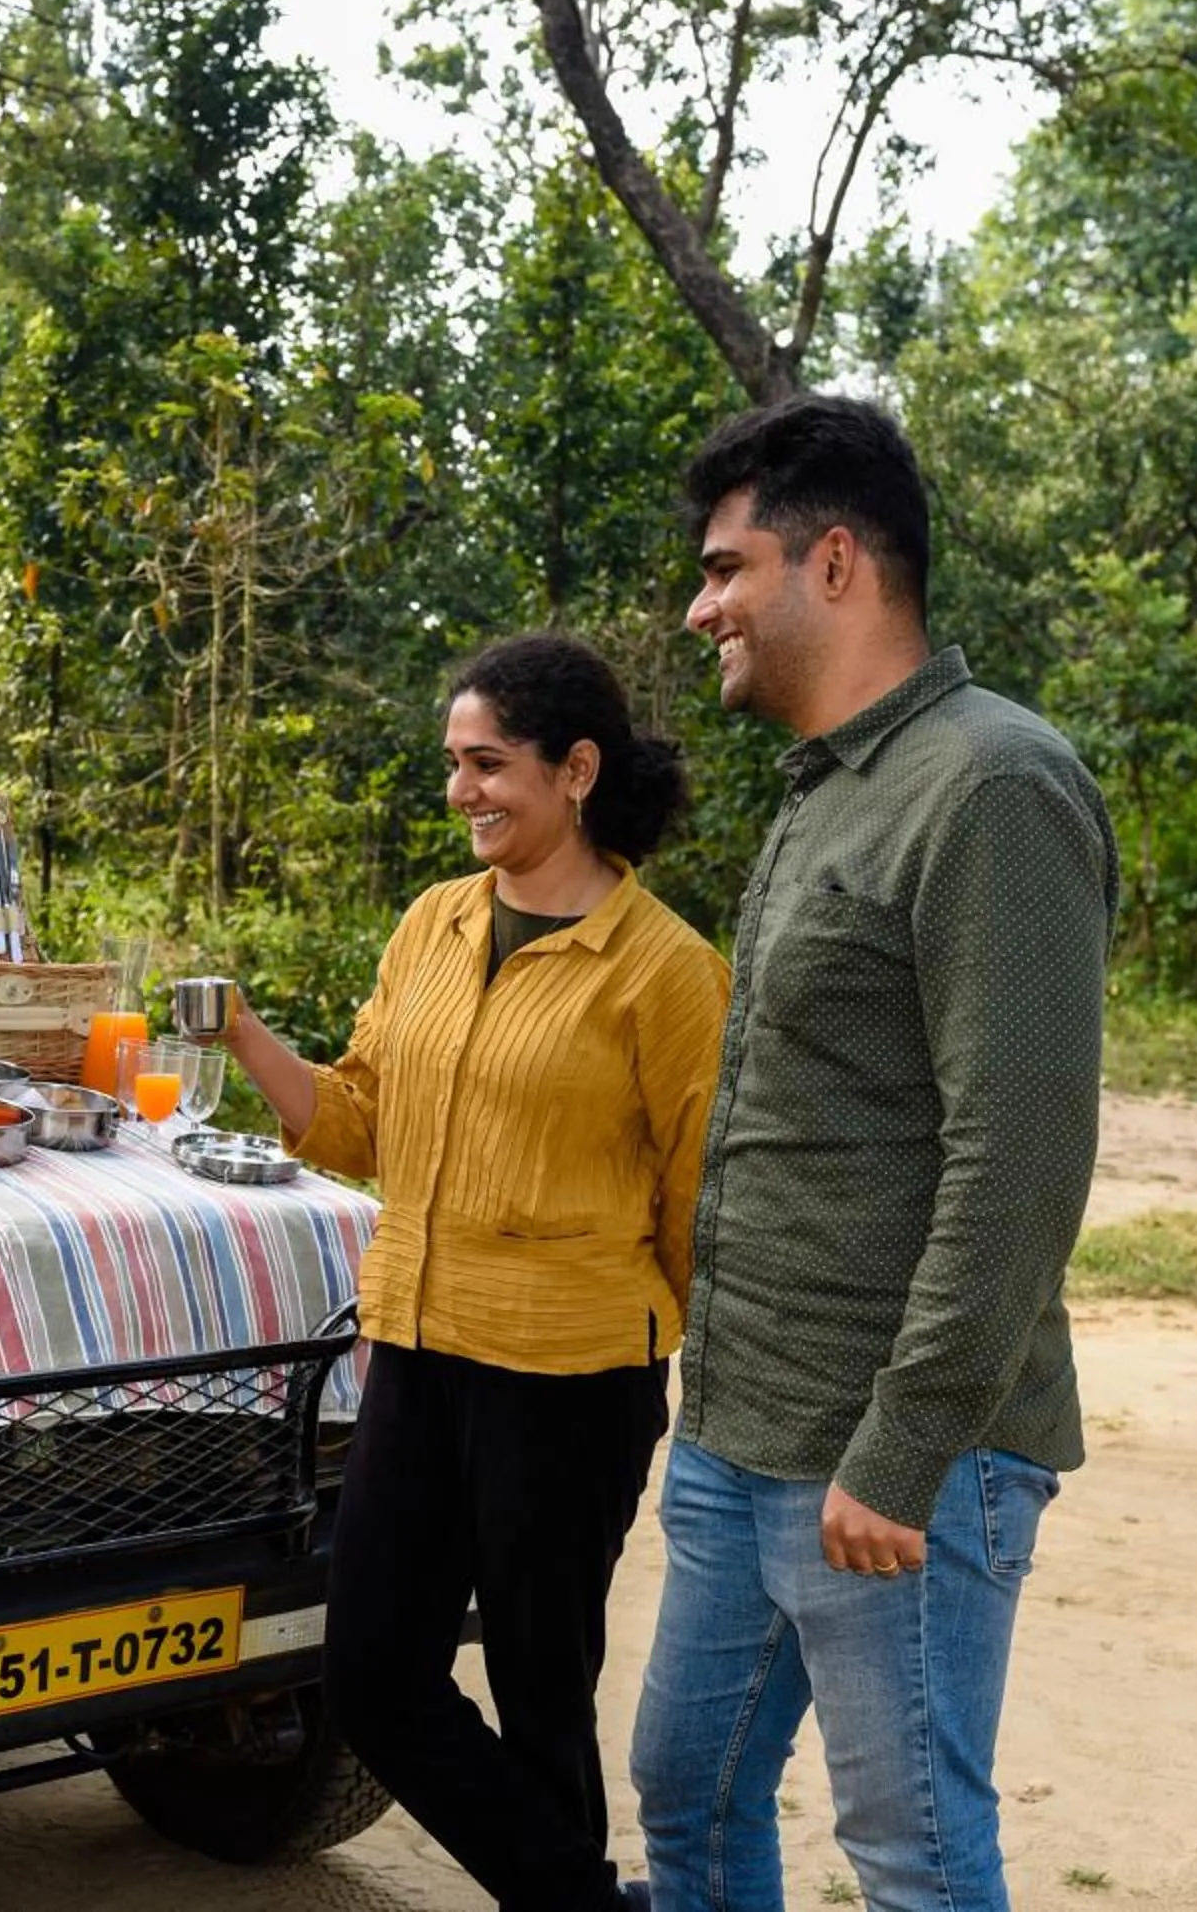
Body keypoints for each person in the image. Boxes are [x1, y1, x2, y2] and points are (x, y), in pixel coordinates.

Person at [630, 396, 1119, 1912]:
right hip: (742, 1426)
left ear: (834, 562)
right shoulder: (833, 785)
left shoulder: (990, 786)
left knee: (908, 1850)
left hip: (891, 1454)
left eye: (725, 568)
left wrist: (901, 1455)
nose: (702, 605)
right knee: (687, 1788)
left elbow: (1019, 1161)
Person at [197, 632, 731, 1912]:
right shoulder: (435, 922)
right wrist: (240, 1030)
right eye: (455, 764)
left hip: (573, 1375)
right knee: (375, 1675)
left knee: (546, 1689)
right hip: (418, 1354)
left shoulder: (667, 970)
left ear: (578, 769)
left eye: (488, 764)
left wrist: (670, 1355)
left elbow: (698, 1204)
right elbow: (359, 1124)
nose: (462, 792)